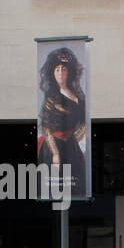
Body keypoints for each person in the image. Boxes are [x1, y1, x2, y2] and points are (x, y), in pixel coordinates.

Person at [38, 46, 87, 198]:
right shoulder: (50, 97)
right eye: (57, 69)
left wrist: (76, 138)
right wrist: (55, 154)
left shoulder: (78, 95)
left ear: (69, 72)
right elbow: (46, 128)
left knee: (77, 185)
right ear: (52, 73)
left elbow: (84, 121)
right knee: (55, 188)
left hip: (71, 146)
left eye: (63, 69)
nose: (60, 73)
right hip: (53, 147)